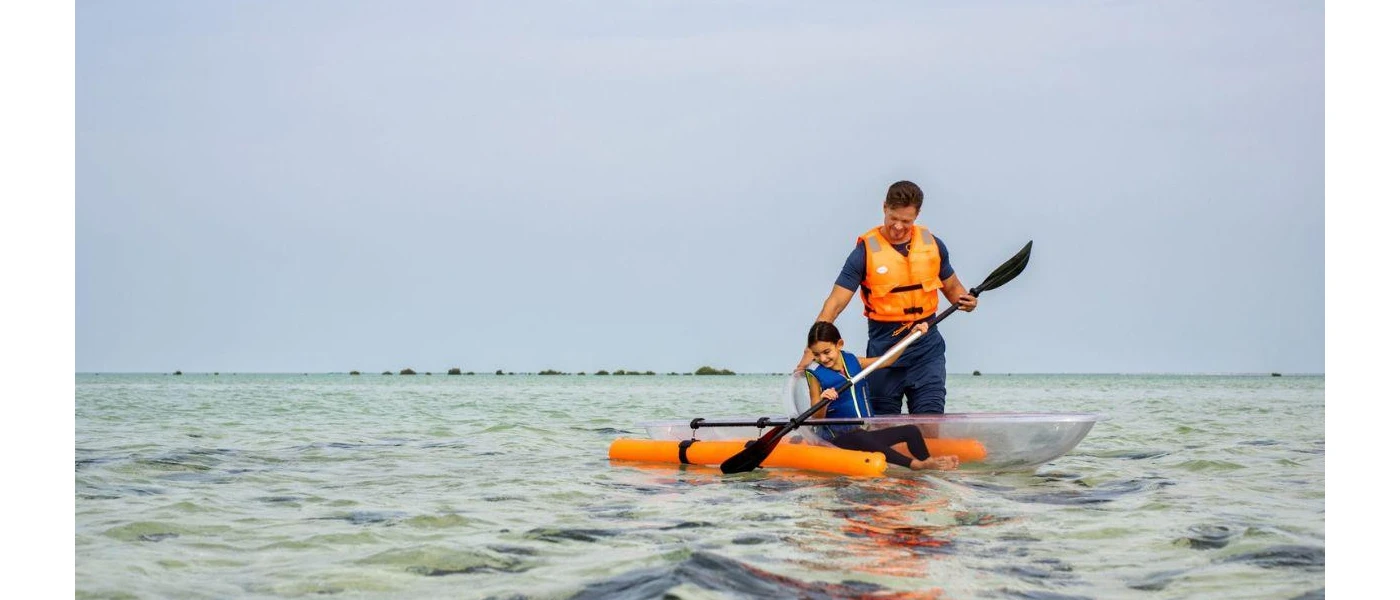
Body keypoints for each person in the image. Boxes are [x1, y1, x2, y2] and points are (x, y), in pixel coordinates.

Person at [795, 180, 977, 415]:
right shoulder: (864, 253)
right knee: (883, 422)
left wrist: (968, 302)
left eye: (906, 221)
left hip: (926, 345)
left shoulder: (933, 245)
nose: (898, 227)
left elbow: (954, 290)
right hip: (884, 347)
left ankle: (933, 452)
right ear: (884, 208)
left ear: (917, 215)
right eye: (893, 218)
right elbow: (834, 304)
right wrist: (808, 355)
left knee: (930, 417)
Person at [803, 321, 957, 471]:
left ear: (839, 344)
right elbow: (816, 418)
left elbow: (887, 360)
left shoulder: (854, 361)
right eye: (816, 355)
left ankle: (928, 461)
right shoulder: (815, 376)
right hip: (837, 438)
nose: (823, 359)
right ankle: (916, 465)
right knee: (861, 438)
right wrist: (824, 401)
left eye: (826, 352)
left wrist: (911, 335)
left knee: (911, 430)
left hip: (864, 432)